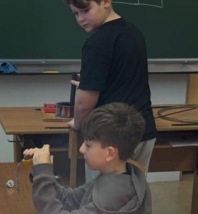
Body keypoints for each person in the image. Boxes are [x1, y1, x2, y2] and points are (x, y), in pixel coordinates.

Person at [25, 103, 152, 214]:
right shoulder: (115, 176)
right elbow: (69, 199)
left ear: (110, 153)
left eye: (88, 145)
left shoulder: (112, 197)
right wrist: (41, 172)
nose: (81, 149)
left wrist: (43, 174)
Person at [64, 0, 157, 180]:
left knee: (103, 195)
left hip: (109, 139)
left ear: (106, 1)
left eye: (85, 10)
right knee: (134, 191)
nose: (80, 19)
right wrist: (90, 82)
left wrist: (77, 123)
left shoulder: (97, 44)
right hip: (143, 130)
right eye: (76, 13)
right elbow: (124, 78)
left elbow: (84, 104)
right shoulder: (134, 33)